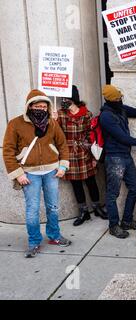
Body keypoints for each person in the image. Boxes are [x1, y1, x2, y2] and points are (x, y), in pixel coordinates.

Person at [3, 89, 72, 258]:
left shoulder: (52, 123)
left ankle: (54, 236)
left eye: (43, 106)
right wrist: (18, 173)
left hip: (51, 171)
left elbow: (62, 144)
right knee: (32, 209)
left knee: (53, 207)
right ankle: (34, 242)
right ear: (29, 106)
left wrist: (63, 166)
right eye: (37, 105)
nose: (41, 108)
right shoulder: (15, 124)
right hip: (29, 174)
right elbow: (8, 151)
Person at [99, 84, 136, 239]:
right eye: (116, 98)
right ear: (109, 99)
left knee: (135, 188)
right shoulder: (106, 116)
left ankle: (127, 221)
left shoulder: (120, 109)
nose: (119, 100)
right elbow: (122, 137)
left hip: (126, 156)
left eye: (120, 97)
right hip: (114, 157)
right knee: (112, 194)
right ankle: (114, 226)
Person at [57, 85, 108, 226]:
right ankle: (83, 211)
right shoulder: (60, 114)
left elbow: (91, 135)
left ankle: (97, 208)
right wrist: (53, 120)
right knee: (76, 184)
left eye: (66, 98)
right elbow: (56, 135)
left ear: (73, 99)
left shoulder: (87, 114)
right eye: (62, 98)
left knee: (91, 181)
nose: (63, 100)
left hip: (84, 152)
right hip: (68, 153)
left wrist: (91, 154)